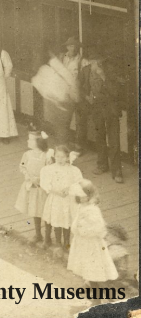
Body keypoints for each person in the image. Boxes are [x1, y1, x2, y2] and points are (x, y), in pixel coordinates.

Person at [79, 50, 125, 183]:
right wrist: (87, 96)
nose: (95, 64)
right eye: (92, 61)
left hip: (110, 109)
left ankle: (117, 171)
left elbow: (115, 92)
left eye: (97, 62)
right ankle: (102, 165)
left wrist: (103, 75)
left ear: (101, 61)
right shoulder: (86, 70)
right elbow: (80, 86)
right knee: (99, 137)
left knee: (114, 139)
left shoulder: (109, 70)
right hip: (96, 109)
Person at [67, 180, 119, 286]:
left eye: (84, 196)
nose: (82, 198)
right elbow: (75, 224)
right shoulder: (80, 207)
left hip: (92, 245)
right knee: (88, 272)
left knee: (96, 272)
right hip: (83, 244)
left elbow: (99, 228)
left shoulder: (93, 210)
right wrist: (76, 228)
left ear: (89, 195)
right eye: (79, 196)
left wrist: (83, 231)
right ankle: (96, 298)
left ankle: (107, 297)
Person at [40, 144, 82, 256]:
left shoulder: (73, 170)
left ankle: (67, 243)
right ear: (54, 156)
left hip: (68, 198)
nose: (60, 159)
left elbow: (78, 182)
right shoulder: (49, 169)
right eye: (57, 156)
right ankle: (58, 242)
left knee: (67, 220)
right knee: (57, 219)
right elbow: (45, 183)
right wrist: (56, 191)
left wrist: (69, 189)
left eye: (63, 157)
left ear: (68, 157)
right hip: (56, 198)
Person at [15, 130, 52, 245]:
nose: (27, 141)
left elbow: (50, 170)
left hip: (43, 187)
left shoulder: (46, 155)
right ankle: (38, 234)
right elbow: (23, 167)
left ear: (38, 141)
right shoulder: (27, 155)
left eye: (30, 139)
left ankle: (47, 237)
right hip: (32, 186)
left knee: (45, 211)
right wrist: (29, 177)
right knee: (35, 209)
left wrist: (40, 180)